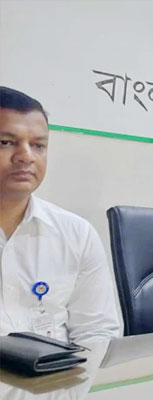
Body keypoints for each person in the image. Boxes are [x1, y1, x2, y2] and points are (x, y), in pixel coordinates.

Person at [0, 86, 120, 342]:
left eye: (38, 145)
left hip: (58, 368)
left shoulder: (76, 234)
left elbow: (97, 332)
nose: (26, 157)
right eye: (6, 143)